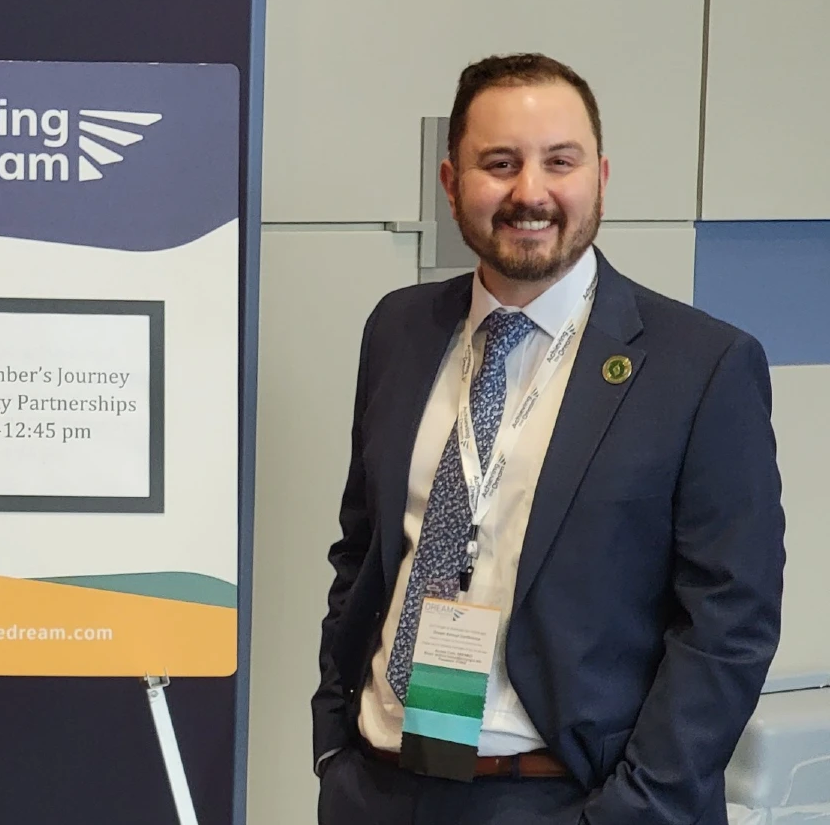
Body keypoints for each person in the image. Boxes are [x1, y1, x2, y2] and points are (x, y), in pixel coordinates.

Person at [312, 53, 784, 824]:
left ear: (599, 174)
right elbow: (362, 550)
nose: (530, 192)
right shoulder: (398, 329)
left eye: (557, 161)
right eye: (499, 163)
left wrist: (636, 808)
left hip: (567, 796)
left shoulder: (702, 367)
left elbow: (730, 623)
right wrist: (333, 741)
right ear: (451, 182)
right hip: (380, 782)